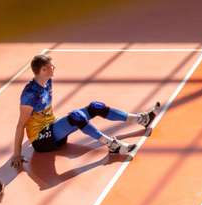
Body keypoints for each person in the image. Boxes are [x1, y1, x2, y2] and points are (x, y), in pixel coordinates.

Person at [11, 55, 160, 169]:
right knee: (77, 117)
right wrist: (17, 154)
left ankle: (141, 119)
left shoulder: (47, 81)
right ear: (43, 70)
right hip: (42, 141)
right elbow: (20, 124)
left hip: (53, 130)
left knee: (96, 106)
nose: (54, 67)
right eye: (51, 66)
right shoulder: (30, 94)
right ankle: (112, 145)